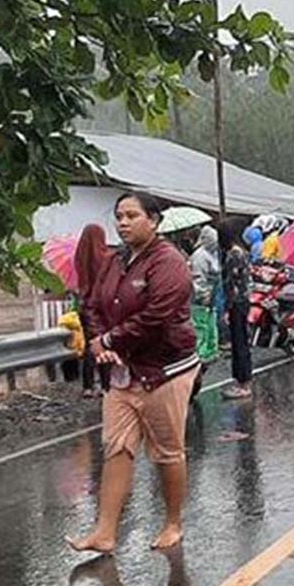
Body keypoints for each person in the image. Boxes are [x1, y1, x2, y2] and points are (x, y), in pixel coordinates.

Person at [67, 192, 200, 554]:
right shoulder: (115, 261)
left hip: (163, 370)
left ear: (154, 221)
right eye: (119, 216)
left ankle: (173, 522)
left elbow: (158, 315)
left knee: (167, 450)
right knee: (117, 447)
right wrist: (97, 341)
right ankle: (105, 532)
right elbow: (92, 303)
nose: (123, 223)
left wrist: (112, 338)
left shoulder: (168, 262)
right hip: (121, 371)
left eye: (132, 216)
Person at [75, 223, 113, 398]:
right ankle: (106, 385)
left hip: (84, 305)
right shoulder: (106, 257)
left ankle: (88, 386)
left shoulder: (79, 256)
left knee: (90, 345)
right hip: (101, 306)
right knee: (103, 344)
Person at [220, 218, 254, 399]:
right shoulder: (243, 252)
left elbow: (231, 284)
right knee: (241, 341)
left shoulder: (234, 255)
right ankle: (243, 380)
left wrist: (228, 306)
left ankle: (243, 383)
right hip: (243, 301)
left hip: (237, 303)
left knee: (239, 342)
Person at [189, 226, 221, 363]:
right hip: (201, 296)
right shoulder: (200, 256)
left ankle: (210, 351)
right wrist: (203, 294)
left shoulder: (212, 253)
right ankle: (201, 353)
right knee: (201, 325)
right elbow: (198, 278)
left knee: (210, 323)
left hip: (212, 293)